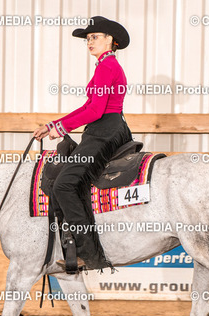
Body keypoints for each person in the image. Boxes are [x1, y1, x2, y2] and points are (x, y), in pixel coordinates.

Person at [33, 16, 132, 272]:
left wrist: (60, 128)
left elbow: (95, 111)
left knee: (64, 185)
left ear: (110, 40)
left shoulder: (107, 67)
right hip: (105, 128)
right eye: (88, 38)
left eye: (95, 37)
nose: (89, 42)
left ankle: (89, 254)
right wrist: (53, 125)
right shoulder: (105, 66)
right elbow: (87, 107)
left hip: (104, 130)